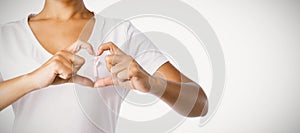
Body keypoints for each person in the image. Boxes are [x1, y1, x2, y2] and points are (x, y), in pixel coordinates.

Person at [0, 0, 208, 132]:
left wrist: (152, 83)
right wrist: (32, 80)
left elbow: (199, 103)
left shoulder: (120, 32)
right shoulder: (7, 37)